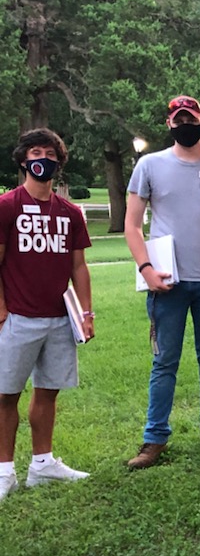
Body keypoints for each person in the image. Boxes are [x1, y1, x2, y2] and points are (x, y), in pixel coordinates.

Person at [125, 95, 200, 469]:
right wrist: (146, 269)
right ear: (169, 125)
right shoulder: (149, 165)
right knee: (165, 362)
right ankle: (154, 438)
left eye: (189, 118)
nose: (184, 124)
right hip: (167, 282)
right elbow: (132, 225)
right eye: (178, 120)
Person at [0, 128, 93, 499]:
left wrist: (87, 312)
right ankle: (5, 471)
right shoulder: (7, 205)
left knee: (48, 392)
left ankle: (43, 464)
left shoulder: (69, 212)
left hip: (59, 318)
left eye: (51, 154)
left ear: (58, 162)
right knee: (6, 394)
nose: (43, 159)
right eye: (36, 152)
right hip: (18, 317)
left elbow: (80, 267)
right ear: (24, 160)